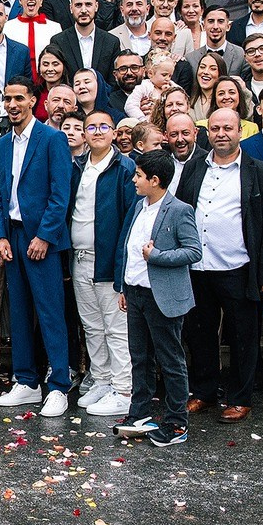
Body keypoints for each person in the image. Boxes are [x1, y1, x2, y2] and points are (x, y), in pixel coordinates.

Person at [172, 108, 263, 421]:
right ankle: (205, 393)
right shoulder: (194, 169)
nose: (221, 133)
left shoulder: (262, 173)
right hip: (197, 267)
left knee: (242, 336)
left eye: (228, 128)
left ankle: (239, 397)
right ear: (207, 132)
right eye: (215, 128)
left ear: (240, 132)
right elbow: (181, 214)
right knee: (200, 333)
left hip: (238, 267)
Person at [0, 77, 74, 417]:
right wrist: (0, 236)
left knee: (51, 311)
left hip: (42, 238)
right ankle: (26, 382)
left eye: (18, 99)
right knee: (20, 312)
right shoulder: (2, 144)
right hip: (13, 235)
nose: (12, 105)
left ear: (32, 101)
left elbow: (60, 194)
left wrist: (45, 236)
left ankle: (58, 386)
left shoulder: (52, 139)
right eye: (7, 99)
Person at [113, 149, 202, 448]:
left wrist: (158, 256)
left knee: (170, 359)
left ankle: (177, 424)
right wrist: (125, 287)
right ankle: (139, 413)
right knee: (140, 357)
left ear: (155, 180)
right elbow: (129, 247)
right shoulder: (140, 206)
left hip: (162, 296)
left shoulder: (179, 210)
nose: (134, 179)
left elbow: (193, 251)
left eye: (139, 175)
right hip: (136, 292)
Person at [69, 111, 136, 416]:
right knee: (92, 326)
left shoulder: (123, 168)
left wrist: (122, 267)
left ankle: (123, 389)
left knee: (115, 328)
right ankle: (102, 379)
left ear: (113, 132)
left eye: (103, 126)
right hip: (80, 258)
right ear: (83, 133)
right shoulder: (78, 165)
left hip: (107, 260)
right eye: (91, 127)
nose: (97, 131)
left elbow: (130, 220)